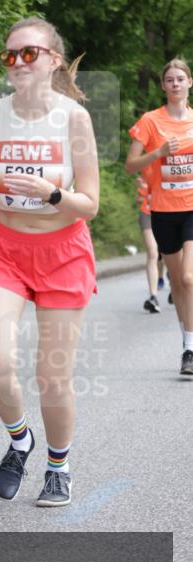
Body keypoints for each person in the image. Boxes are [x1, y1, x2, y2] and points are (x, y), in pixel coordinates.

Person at [0, 16, 99, 507]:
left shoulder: (73, 119)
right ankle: (19, 438)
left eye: (30, 53)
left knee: (52, 375)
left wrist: (52, 194)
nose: (18, 62)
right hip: (4, 248)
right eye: (10, 54)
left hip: (63, 252)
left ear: (54, 60)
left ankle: (58, 466)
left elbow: (90, 202)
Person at [125, 58, 193, 378]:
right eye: (170, 80)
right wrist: (159, 153)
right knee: (179, 283)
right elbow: (130, 165)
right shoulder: (151, 121)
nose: (176, 84)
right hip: (164, 211)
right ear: (163, 86)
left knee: (190, 279)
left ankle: (190, 348)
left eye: (181, 78)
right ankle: (187, 343)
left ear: (189, 83)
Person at [135, 168, 166, 313]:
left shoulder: (171, 167)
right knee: (153, 253)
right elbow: (140, 198)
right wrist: (144, 190)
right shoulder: (146, 169)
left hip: (167, 214)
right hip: (147, 214)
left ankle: (176, 284)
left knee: (168, 254)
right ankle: (153, 296)